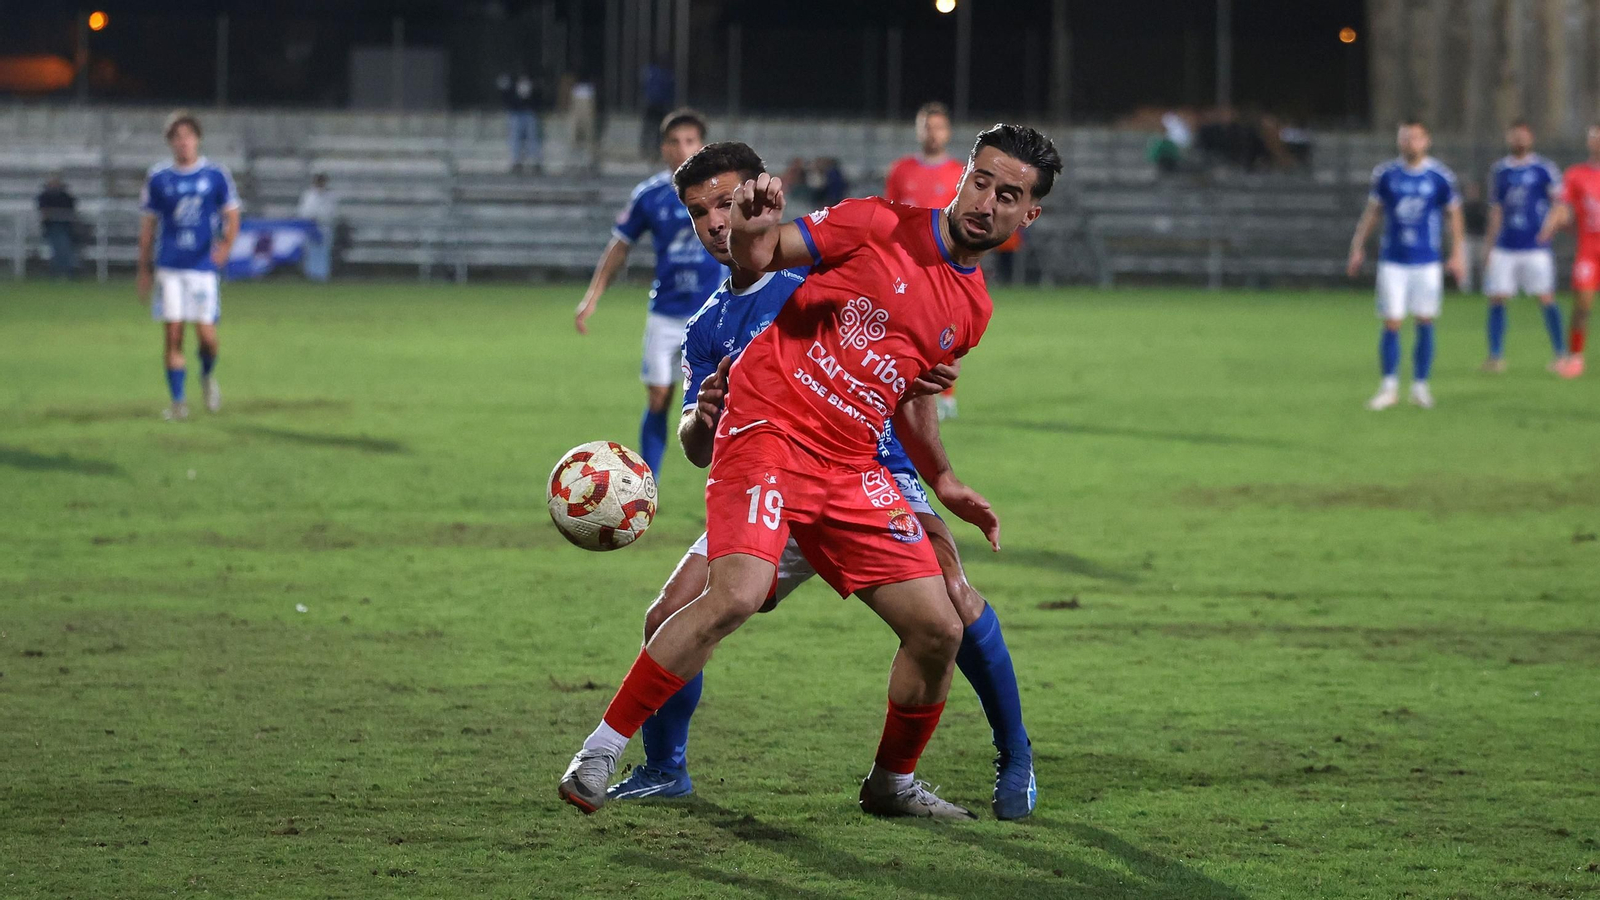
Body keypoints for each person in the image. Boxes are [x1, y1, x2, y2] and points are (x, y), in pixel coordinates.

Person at [559, 124, 1061, 821]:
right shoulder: (850, 237)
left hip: (856, 464)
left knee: (944, 620)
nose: (986, 202)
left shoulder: (967, 308)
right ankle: (614, 753)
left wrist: (944, 481)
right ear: (962, 175)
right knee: (720, 597)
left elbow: (906, 386)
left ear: (1027, 213)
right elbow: (758, 256)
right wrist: (751, 231)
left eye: (1008, 195)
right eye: (980, 181)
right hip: (768, 435)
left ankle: (933, 774)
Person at [573, 109, 725, 479]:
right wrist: (593, 296)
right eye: (674, 142)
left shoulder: (722, 191)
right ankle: (647, 484)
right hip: (666, 313)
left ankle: (732, 483)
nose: (682, 148)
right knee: (659, 398)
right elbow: (620, 245)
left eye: (690, 141)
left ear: (702, 145)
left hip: (714, 313)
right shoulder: (650, 195)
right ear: (664, 149)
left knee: (722, 406)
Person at [1346, 120, 1465, 411]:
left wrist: (1457, 253)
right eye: (1404, 138)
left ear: (1426, 141)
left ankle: (1420, 386)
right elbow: (1373, 212)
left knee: (1425, 320)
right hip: (1393, 260)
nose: (1408, 143)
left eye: (1414, 138)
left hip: (1427, 261)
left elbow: (1454, 215)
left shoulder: (1439, 176)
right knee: (1392, 321)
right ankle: (1389, 387)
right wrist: (1357, 246)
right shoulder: (1387, 174)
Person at [136, 110, 240, 421]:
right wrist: (144, 267)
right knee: (173, 334)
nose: (183, 143)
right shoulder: (158, 178)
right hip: (169, 266)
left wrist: (226, 245)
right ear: (170, 143)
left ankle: (207, 376)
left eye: (187, 136)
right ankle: (178, 402)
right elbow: (148, 225)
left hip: (202, 267)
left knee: (207, 336)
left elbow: (232, 215)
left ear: (197, 139)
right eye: (177, 138)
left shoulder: (215, 175)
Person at [884, 102, 968, 419]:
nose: (933, 133)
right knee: (899, 331)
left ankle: (946, 396)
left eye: (938, 127)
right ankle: (897, 390)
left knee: (946, 332)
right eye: (927, 127)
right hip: (904, 266)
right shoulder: (900, 170)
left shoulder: (960, 174)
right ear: (918, 131)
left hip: (944, 267)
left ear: (947, 132)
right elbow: (889, 217)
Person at [1482, 121, 1565, 373]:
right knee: (1497, 298)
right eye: (1515, 136)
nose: (1519, 140)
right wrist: (1489, 245)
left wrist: (1548, 229)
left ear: (1531, 138)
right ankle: (1496, 356)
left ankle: (1560, 354)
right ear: (1509, 138)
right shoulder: (1500, 170)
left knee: (1546, 296)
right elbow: (1496, 209)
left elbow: (1560, 203)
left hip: (1535, 247)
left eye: (1523, 136)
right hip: (1506, 246)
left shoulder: (1544, 169)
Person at [1536, 123, 1600, 379]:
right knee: (1582, 304)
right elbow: (1563, 206)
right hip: (1588, 251)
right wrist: (1550, 227)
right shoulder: (1576, 174)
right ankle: (1575, 357)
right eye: (1594, 137)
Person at [296, 173, 338, 283]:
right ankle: (311, 275)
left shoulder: (330, 196)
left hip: (324, 226)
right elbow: (304, 211)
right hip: (311, 226)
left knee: (323, 252)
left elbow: (332, 212)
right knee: (311, 251)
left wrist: (321, 218)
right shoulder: (309, 195)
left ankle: (322, 275)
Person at [498, 70, 542, 174]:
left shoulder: (532, 86)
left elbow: (537, 99)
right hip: (516, 113)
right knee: (514, 137)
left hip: (528, 113)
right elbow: (507, 98)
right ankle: (516, 161)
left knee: (532, 137)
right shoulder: (511, 86)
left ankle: (534, 161)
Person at [36, 173, 78, 278]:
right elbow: (43, 212)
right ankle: (60, 271)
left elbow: (71, 211)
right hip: (51, 227)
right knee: (58, 247)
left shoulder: (66, 196)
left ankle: (64, 271)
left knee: (63, 247)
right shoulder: (44, 196)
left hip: (65, 227)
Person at [641, 59, 675, 160]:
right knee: (650, 129)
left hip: (659, 105)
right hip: (654, 105)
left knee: (657, 130)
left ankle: (653, 151)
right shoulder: (657, 73)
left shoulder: (663, 74)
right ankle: (647, 149)